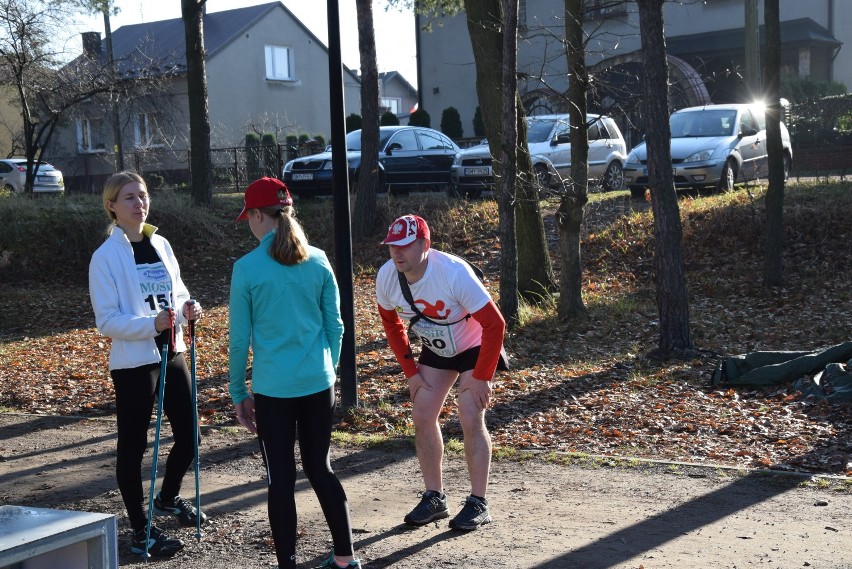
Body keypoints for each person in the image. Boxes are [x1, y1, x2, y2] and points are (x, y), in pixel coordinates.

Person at [228, 177, 361, 569]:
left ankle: (288, 564)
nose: (249, 223)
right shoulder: (318, 259)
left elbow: (239, 341)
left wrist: (238, 391)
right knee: (320, 467)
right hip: (318, 383)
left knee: (280, 479)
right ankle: (344, 558)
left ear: (257, 215)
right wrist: (329, 369)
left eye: (249, 216)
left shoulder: (247, 268)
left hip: (274, 390)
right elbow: (335, 326)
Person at [88, 171, 207, 557]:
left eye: (142, 195)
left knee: (191, 436)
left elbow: (177, 290)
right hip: (134, 363)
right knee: (134, 446)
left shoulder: (161, 244)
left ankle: (167, 498)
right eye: (128, 198)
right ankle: (141, 529)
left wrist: (189, 306)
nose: (139, 203)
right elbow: (106, 320)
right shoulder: (104, 257)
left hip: (172, 352)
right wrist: (148, 325)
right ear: (112, 206)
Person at [375, 214, 506, 531]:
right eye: (393, 246)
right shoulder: (386, 277)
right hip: (436, 348)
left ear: (424, 244)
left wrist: (482, 376)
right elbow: (392, 326)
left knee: (469, 414)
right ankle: (435, 498)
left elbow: (495, 324)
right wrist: (411, 372)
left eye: (405, 245)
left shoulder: (452, 272)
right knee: (422, 412)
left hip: (474, 344)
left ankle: (478, 502)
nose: (397, 252)